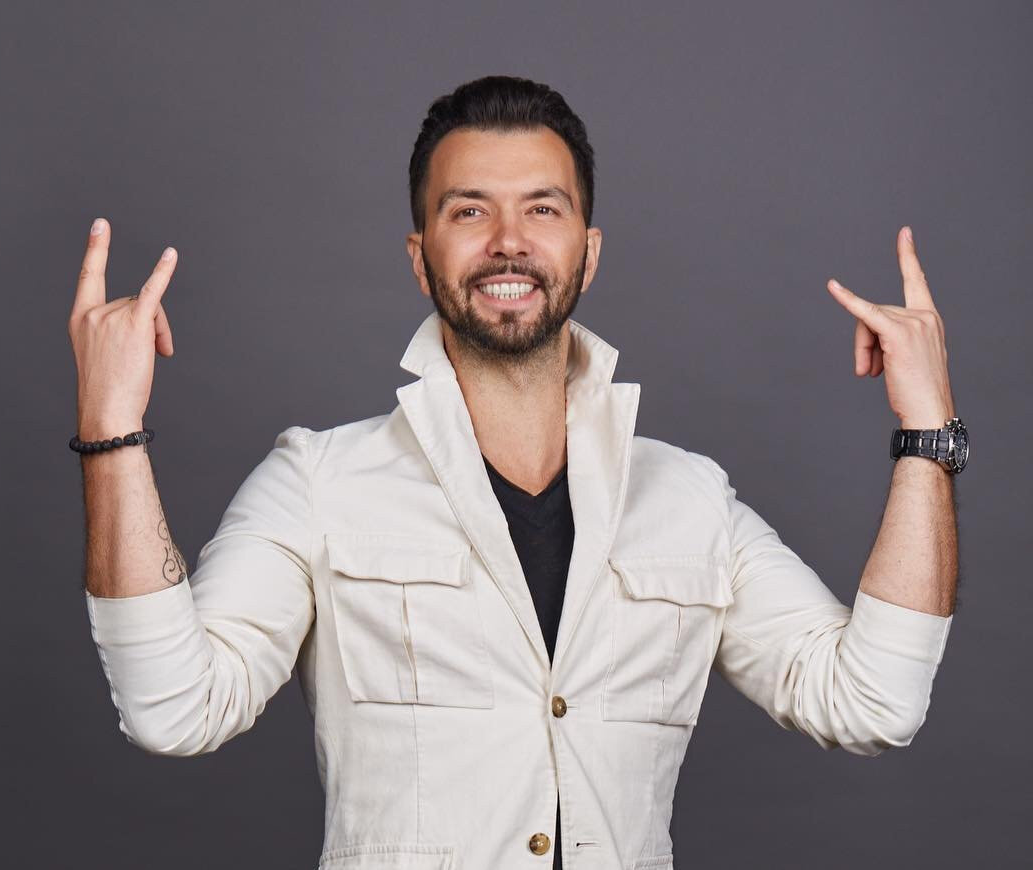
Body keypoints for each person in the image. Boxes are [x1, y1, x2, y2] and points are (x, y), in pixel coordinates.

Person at [69, 76, 960, 870]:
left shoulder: (693, 500)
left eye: (543, 209)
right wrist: (112, 427)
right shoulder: (318, 482)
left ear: (589, 251)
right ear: (420, 255)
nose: (508, 243)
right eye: (469, 212)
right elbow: (171, 708)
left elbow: (873, 702)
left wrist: (927, 431)